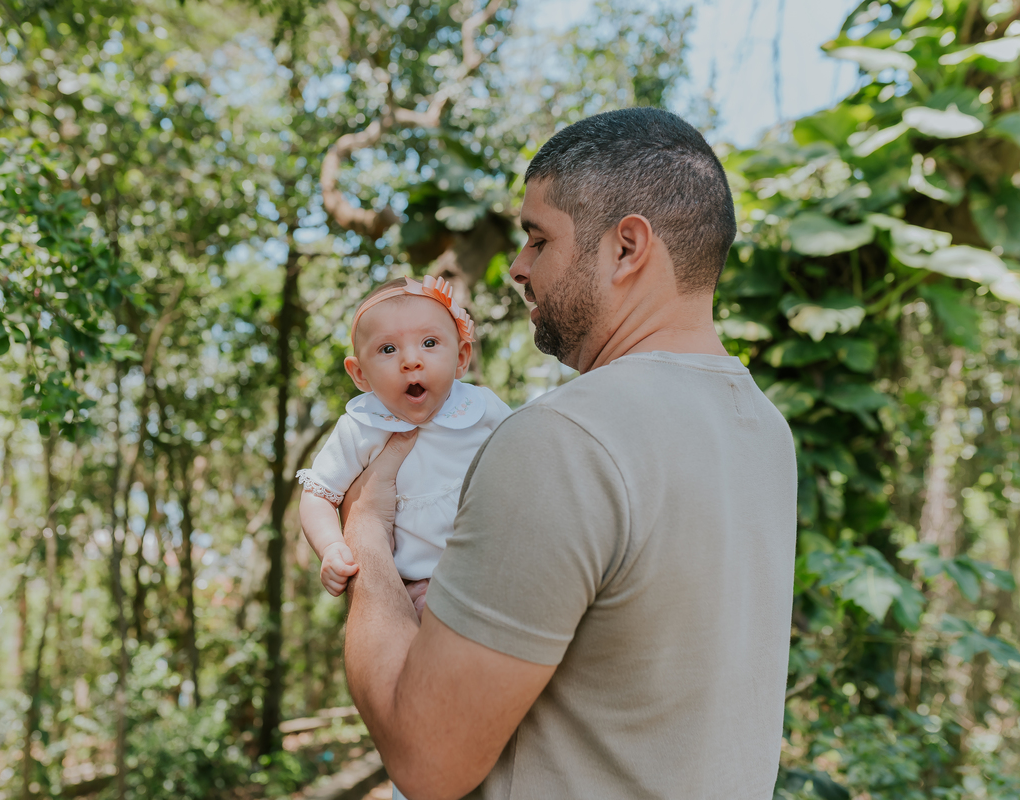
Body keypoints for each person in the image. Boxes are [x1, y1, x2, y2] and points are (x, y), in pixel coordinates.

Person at [339, 107, 799, 800]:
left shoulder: (563, 439)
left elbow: (428, 761)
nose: (518, 269)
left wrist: (366, 534)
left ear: (626, 247)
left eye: (537, 238)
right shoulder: (764, 430)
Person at [297, 275, 511, 611]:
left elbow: (528, 460)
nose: (411, 360)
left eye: (429, 343)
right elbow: (318, 495)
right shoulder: (361, 427)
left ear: (461, 357)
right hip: (417, 588)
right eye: (387, 349)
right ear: (360, 374)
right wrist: (331, 547)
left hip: (496, 566)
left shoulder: (480, 406)